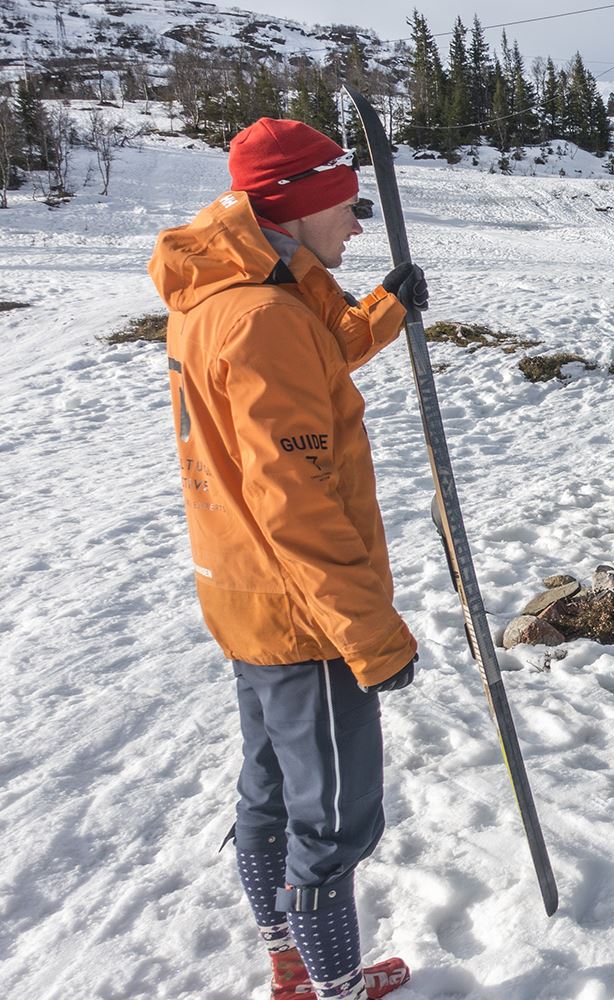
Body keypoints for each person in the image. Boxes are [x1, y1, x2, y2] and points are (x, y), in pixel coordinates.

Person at [149, 118, 431, 1000]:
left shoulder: (234, 287)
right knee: (334, 816)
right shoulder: (265, 314)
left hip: (246, 599)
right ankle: (331, 982)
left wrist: (383, 307)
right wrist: (372, 637)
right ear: (300, 203)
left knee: (269, 787)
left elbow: (320, 348)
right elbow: (296, 501)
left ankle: (288, 955)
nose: (355, 224)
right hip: (306, 614)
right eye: (347, 206)